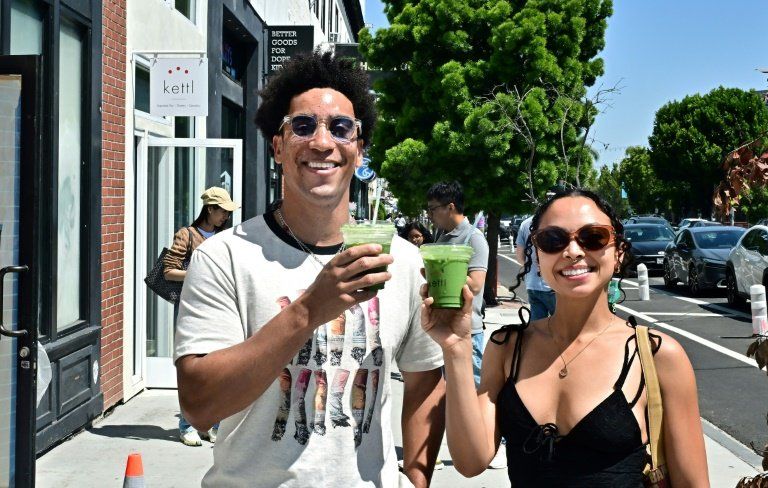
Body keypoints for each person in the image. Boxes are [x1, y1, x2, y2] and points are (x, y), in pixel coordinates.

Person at [174, 50, 445, 488]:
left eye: (341, 128)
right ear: (278, 147)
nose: (322, 142)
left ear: (359, 150)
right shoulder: (225, 257)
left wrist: (416, 476)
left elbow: (426, 380)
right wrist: (308, 311)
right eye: (302, 126)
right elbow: (200, 406)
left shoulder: (403, 260)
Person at [421, 188, 709, 486]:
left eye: (593, 237)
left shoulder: (657, 356)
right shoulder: (507, 348)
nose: (573, 251)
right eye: (553, 240)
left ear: (619, 252)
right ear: (537, 254)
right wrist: (456, 348)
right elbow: (470, 462)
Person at [163, 186, 239, 446]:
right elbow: (168, 271)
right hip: (191, 307)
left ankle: (213, 424)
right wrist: (200, 272)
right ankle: (187, 426)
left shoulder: (225, 236)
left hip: (220, 307)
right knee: (191, 368)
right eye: (223, 211)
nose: (226, 216)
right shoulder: (187, 235)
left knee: (217, 368)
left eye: (228, 212)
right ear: (210, 209)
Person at [427, 181, 489, 388]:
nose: (430, 214)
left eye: (433, 209)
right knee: (450, 391)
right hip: (442, 325)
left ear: (450, 207)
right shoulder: (441, 236)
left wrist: (446, 270)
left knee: (470, 388)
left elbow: (476, 285)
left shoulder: (473, 238)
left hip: (467, 329)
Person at [515, 215, 556, 320]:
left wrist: (532, 266)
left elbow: (520, 257)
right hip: (553, 286)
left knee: (537, 326)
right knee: (563, 325)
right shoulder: (557, 220)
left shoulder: (525, 224)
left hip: (532, 284)